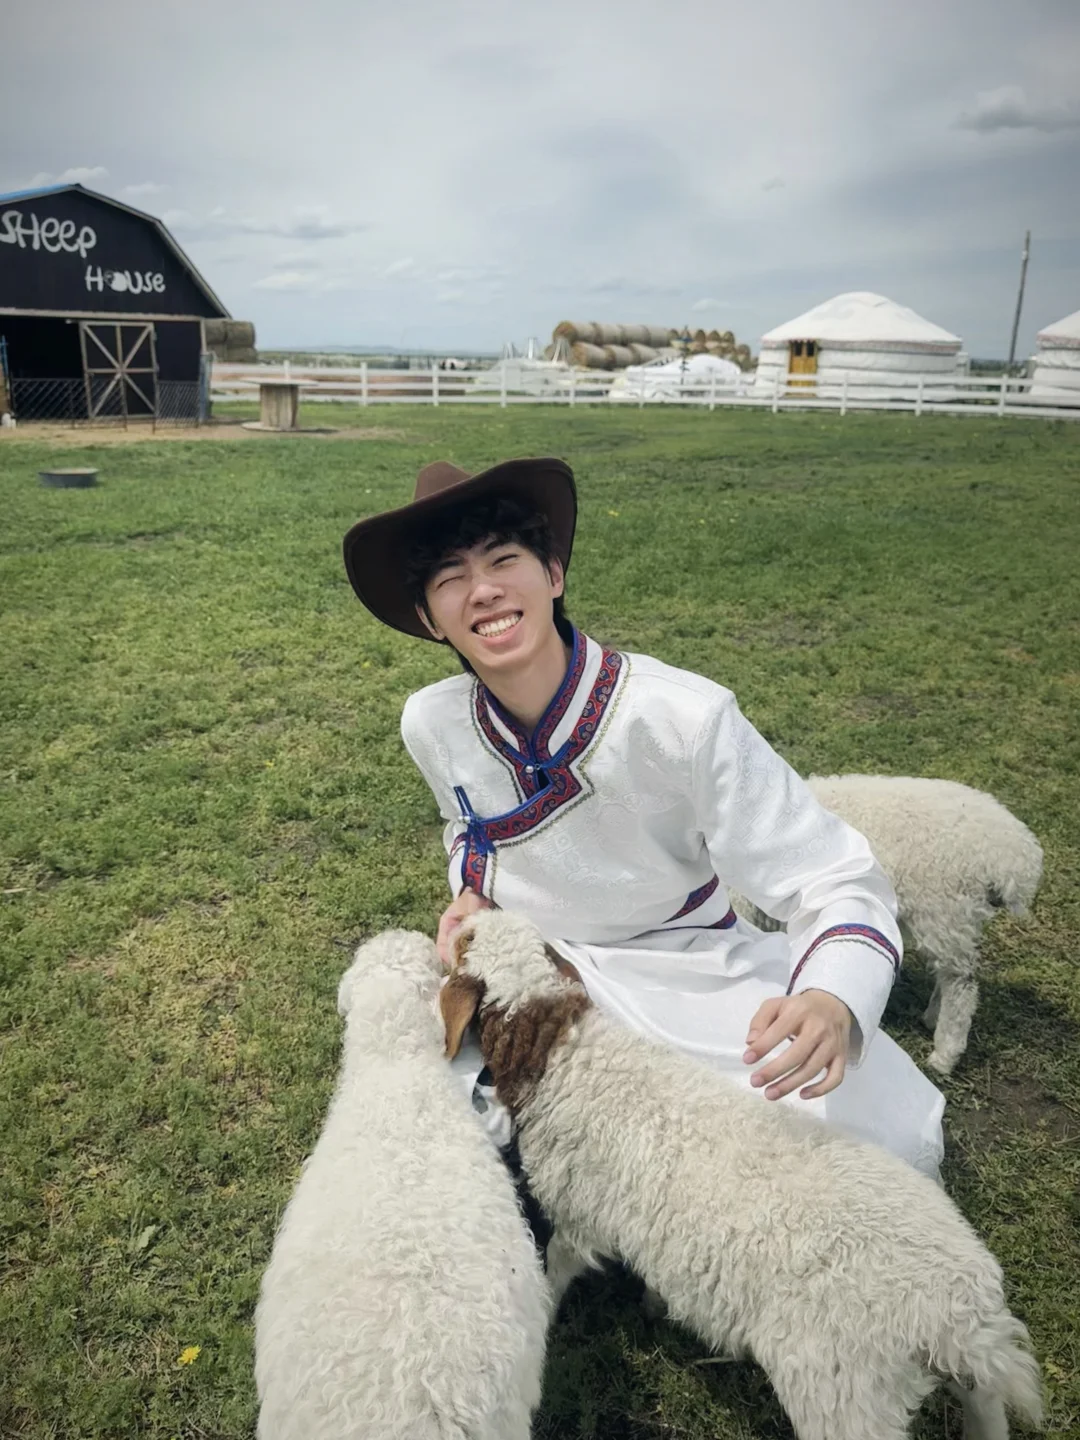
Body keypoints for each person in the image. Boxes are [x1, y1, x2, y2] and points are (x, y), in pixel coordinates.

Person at [343, 457, 945, 1176]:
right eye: (449, 579)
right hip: (542, 968)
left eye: (505, 560)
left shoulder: (682, 717)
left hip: (691, 968)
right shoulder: (430, 721)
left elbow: (835, 876)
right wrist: (470, 891)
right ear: (427, 619)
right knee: (438, 1133)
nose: (484, 591)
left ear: (554, 575)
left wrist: (829, 996)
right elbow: (468, 826)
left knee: (865, 1146)